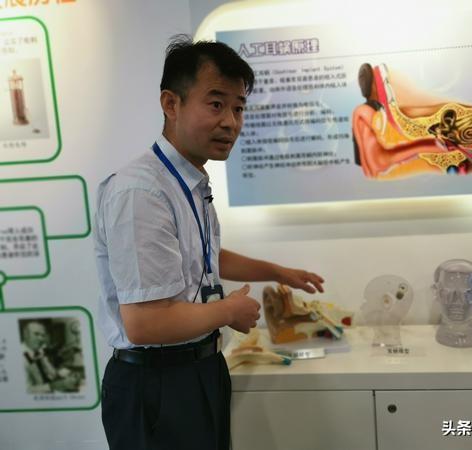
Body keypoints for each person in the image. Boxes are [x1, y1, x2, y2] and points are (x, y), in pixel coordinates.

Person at [93, 36, 324, 450]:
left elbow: (203, 259)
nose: (230, 122)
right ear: (171, 104)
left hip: (198, 370)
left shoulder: (189, 180)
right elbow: (145, 323)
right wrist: (228, 310)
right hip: (157, 384)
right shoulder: (141, 191)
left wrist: (278, 272)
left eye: (238, 108)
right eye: (216, 104)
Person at [22, 320, 80, 393]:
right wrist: (57, 385)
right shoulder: (20, 358)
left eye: (43, 335)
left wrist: (69, 374)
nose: (41, 339)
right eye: (36, 334)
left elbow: (52, 372)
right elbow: (27, 390)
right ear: (25, 335)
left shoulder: (39, 351)